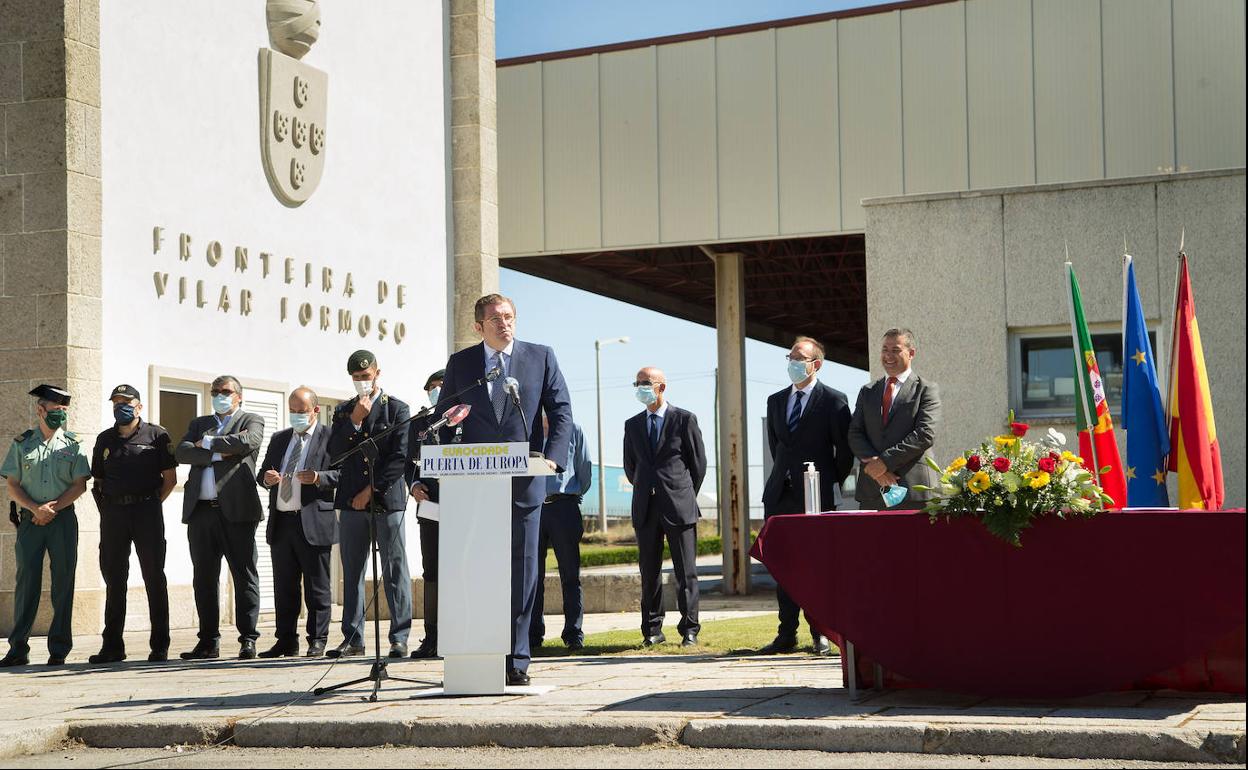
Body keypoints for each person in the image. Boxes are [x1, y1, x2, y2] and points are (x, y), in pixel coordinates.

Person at [435, 293, 572, 686]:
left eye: (509, 317)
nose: (504, 324)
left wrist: (552, 458)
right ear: (478, 327)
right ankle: (482, 653)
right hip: (475, 487)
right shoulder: (462, 364)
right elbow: (447, 415)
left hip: (525, 480)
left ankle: (518, 658)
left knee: (524, 570)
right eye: (495, 319)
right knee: (479, 569)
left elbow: (560, 409)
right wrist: (445, 456)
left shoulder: (540, 356)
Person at [757, 338, 853, 656]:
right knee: (783, 566)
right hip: (780, 495)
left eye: (801, 358)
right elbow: (778, 448)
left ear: (817, 364)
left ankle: (820, 633)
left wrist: (827, 481)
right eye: (791, 357)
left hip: (817, 495)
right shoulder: (775, 401)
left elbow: (844, 453)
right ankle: (786, 633)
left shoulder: (834, 401)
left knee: (817, 567)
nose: (794, 363)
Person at [327, 350, 412, 659]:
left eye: (366, 376)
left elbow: (398, 458)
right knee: (352, 571)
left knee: (395, 569)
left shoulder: (398, 410)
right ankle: (353, 637)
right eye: (356, 378)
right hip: (351, 502)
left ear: (378, 373)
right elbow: (334, 452)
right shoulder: (343, 412)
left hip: (386, 501)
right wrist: (354, 421)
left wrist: (371, 490)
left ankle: (399, 637)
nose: (362, 382)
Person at [175, 375, 266, 661]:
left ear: (239, 395)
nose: (219, 395)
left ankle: (248, 639)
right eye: (215, 391)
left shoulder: (251, 419)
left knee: (244, 575)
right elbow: (182, 452)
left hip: (237, 512)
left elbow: (248, 442)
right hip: (201, 511)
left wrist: (209, 444)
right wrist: (219, 453)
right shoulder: (198, 423)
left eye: (225, 391)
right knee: (203, 578)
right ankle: (208, 641)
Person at [0, 385, 91, 667]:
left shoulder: (74, 444)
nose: (61, 415)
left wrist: (52, 508)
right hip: (30, 521)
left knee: (64, 581)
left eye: (65, 411)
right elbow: (12, 485)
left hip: (62, 520)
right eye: (55, 410)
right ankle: (17, 650)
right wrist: (34, 508)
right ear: (40, 410)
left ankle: (59, 649)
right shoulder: (22, 443)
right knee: (27, 582)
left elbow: (80, 485)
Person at [88, 384, 178, 664]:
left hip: (147, 511)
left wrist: (149, 504)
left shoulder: (157, 435)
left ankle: (160, 645)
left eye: (127, 402)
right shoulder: (105, 439)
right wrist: (111, 510)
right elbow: (98, 480)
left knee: (154, 577)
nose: (121, 407)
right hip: (114, 514)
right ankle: (112, 645)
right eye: (116, 402)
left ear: (139, 406)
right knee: (115, 579)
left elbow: (170, 479)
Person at [623, 367, 707, 648]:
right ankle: (652, 629)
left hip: (679, 506)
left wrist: (681, 493)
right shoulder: (632, 425)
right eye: (637, 383)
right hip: (646, 507)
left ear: (662, 387)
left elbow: (698, 466)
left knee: (686, 572)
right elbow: (631, 467)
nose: (641, 387)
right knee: (649, 572)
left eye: (646, 383)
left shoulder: (684, 420)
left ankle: (690, 629)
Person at [255, 387, 339, 658]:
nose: (296, 416)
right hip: (283, 522)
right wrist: (267, 479)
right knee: (284, 586)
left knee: (317, 586)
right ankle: (285, 640)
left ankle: (317, 639)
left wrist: (318, 478)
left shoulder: (330, 437)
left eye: (301, 411)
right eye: (292, 411)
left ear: (315, 410)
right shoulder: (281, 439)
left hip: (314, 522)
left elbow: (343, 474)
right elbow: (262, 474)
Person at [848, 328, 942, 511]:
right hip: (873, 491)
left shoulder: (926, 389)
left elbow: (925, 434)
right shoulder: (867, 391)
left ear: (911, 353)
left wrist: (883, 463)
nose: (888, 355)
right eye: (884, 349)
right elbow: (855, 432)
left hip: (914, 490)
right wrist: (876, 468)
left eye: (895, 350)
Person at [531, 415, 592, 652]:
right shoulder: (529, 430)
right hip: (533, 508)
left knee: (570, 574)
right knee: (532, 577)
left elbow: (584, 467)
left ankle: (573, 633)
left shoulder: (573, 430)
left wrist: (572, 495)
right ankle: (533, 633)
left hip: (563, 506)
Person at [407, 369, 444, 660]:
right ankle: (431, 635)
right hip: (430, 505)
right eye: (432, 387)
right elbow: (408, 463)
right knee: (431, 571)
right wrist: (414, 485)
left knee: (459, 570)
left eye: (442, 386)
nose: (437, 390)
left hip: (464, 505)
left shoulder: (468, 417)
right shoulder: (420, 423)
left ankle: (457, 632)